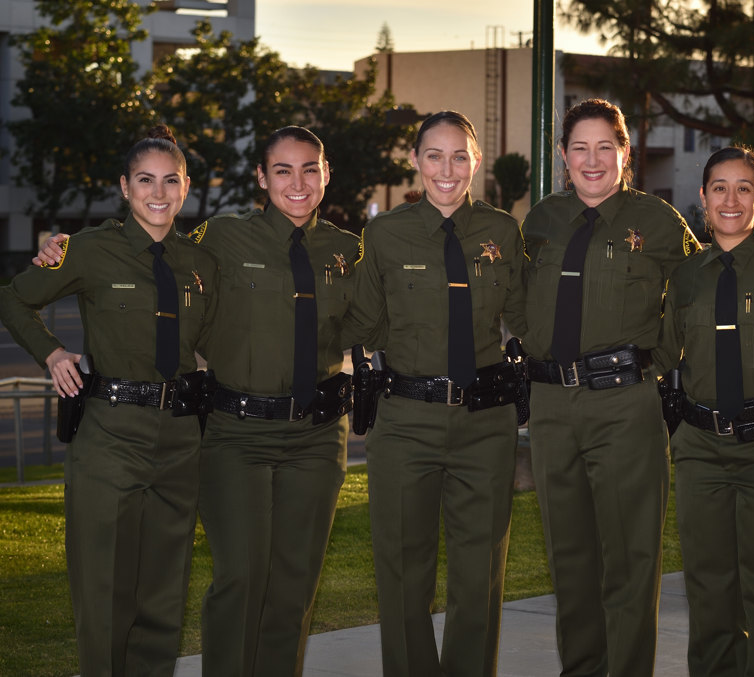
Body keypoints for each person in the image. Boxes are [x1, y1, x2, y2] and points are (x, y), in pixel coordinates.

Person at [0, 125, 218, 676]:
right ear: (125, 187)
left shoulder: (200, 263)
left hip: (179, 439)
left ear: (186, 186)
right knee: (104, 591)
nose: (159, 193)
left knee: (164, 594)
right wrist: (51, 354)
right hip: (110, 437)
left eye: (171, 180)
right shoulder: (87, 250)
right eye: (145, 180)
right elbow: (12, 298)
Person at [519, 98, 701, 677]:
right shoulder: (541, 220)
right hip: (550, 406)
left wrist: (656, 361)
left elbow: (706, 288)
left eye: (605, 147)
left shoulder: (657, 222)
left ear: (626, 152)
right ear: (563, 156)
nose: (592, 160)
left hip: (625, 403)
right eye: (579, 147)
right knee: (569, 563)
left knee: (629, 562)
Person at [348, 110, 526, 677]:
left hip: (485, 422)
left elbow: (527, 316)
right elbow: (363, 324)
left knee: (481, 574)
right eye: (433, 156)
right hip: (405, 421)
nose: (446, 170)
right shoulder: (383, 234)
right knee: (402, 570)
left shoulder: (502, 231)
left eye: (458, 156)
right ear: (417, 162)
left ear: (475, 161)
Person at [192, 126, 361, 676]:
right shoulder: (220, 236)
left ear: (326, 173)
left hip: (316, 437)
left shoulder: (346, 249)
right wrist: (68, 245)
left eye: (309, 168)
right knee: (240, 579)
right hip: (236, 434)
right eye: (283, 170)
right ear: (262, 178)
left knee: (293, 587)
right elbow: (152, 245)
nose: (297, 182)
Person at [655, 146, 754, 677]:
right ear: (702, 197)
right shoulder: (685, 278)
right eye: (719, 187)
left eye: (744, 187)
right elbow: (659, 354)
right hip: (701, 449)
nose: (730, 199)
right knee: (708, 589)